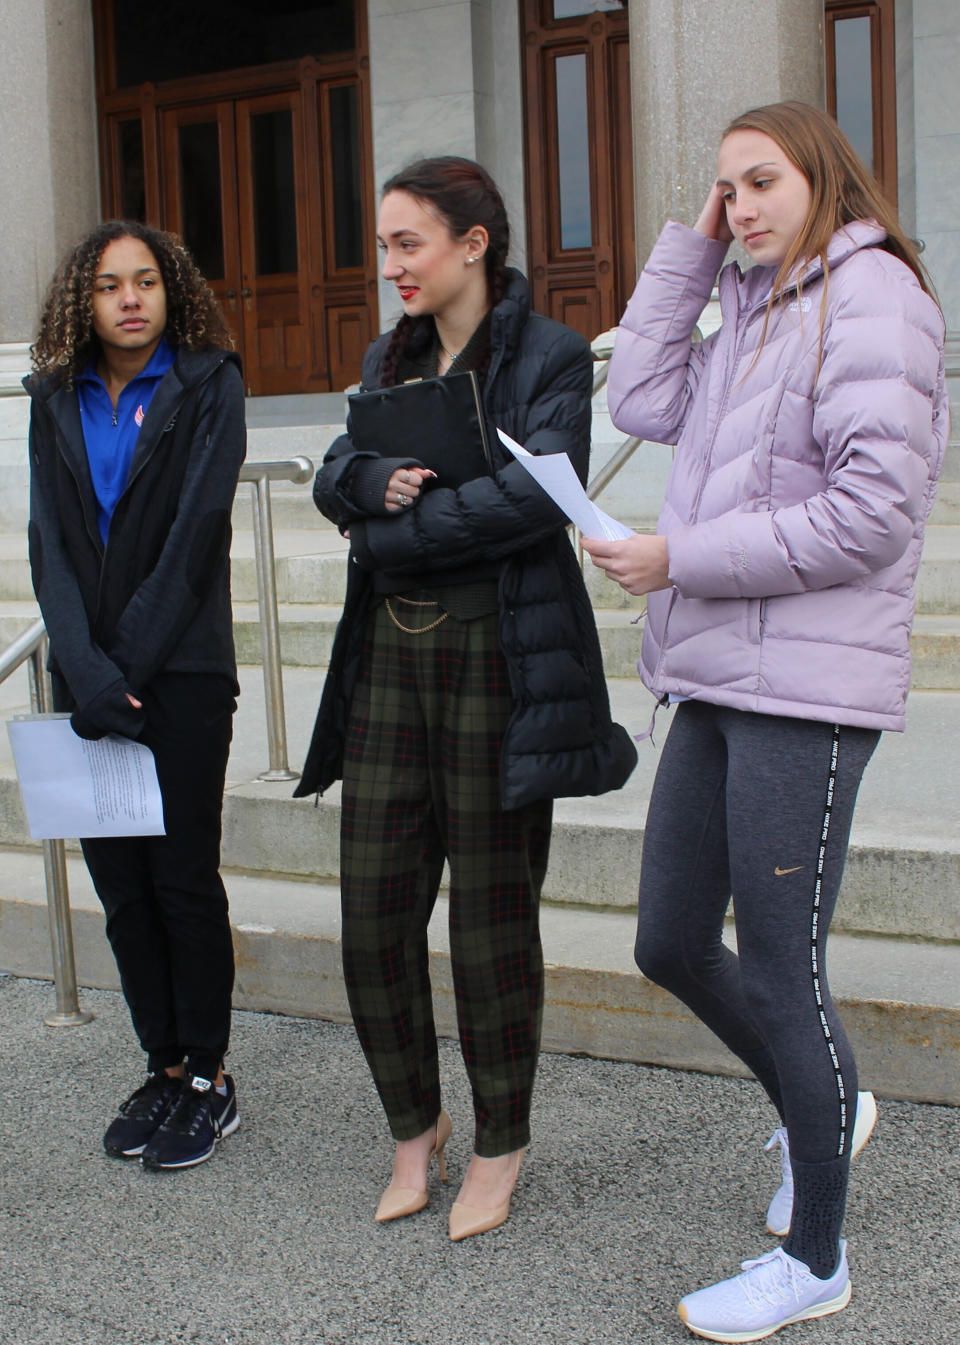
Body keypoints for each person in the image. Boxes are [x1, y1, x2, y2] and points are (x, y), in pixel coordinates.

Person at [583, 101, 947, 1341]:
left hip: (809, 687)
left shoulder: (873, 299)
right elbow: (635, 396)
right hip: (722, 676)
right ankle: (824, 1104)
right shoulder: (744, 303)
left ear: (824, 179)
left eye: (761, 181)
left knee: (786, 976)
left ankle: (816, 1256)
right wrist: (690, 249)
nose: (740, 204)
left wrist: (680, 552)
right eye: (724, 186)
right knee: (670, 940)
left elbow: (871, 514)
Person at [295, 156, 636, 1240]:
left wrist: (392, 530)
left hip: (501, 658)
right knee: (372, 915)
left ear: (473, 243)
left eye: (409, 243)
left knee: (491, 926)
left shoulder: (549, 354)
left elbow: (540, 493)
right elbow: (334, 466)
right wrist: (359, 488)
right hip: (390, 661)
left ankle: (500, 1142)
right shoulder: (384, 354)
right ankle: (414, 1125)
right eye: (385, 244)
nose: (390, 263)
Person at [26, 221, 246, 1170]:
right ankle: (160, 1063)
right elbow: (49, 545)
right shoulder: (51, 397)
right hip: (87, 684)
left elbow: (196, 535)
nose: (129, 298)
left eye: (146, 281)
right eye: (110, 284)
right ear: (85, 298)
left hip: (182, 676)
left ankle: (209, 1076)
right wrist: (84, 666)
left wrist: (129, 668)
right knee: (120, 892)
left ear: (172, 291)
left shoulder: (209, 384)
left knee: (181, 883)